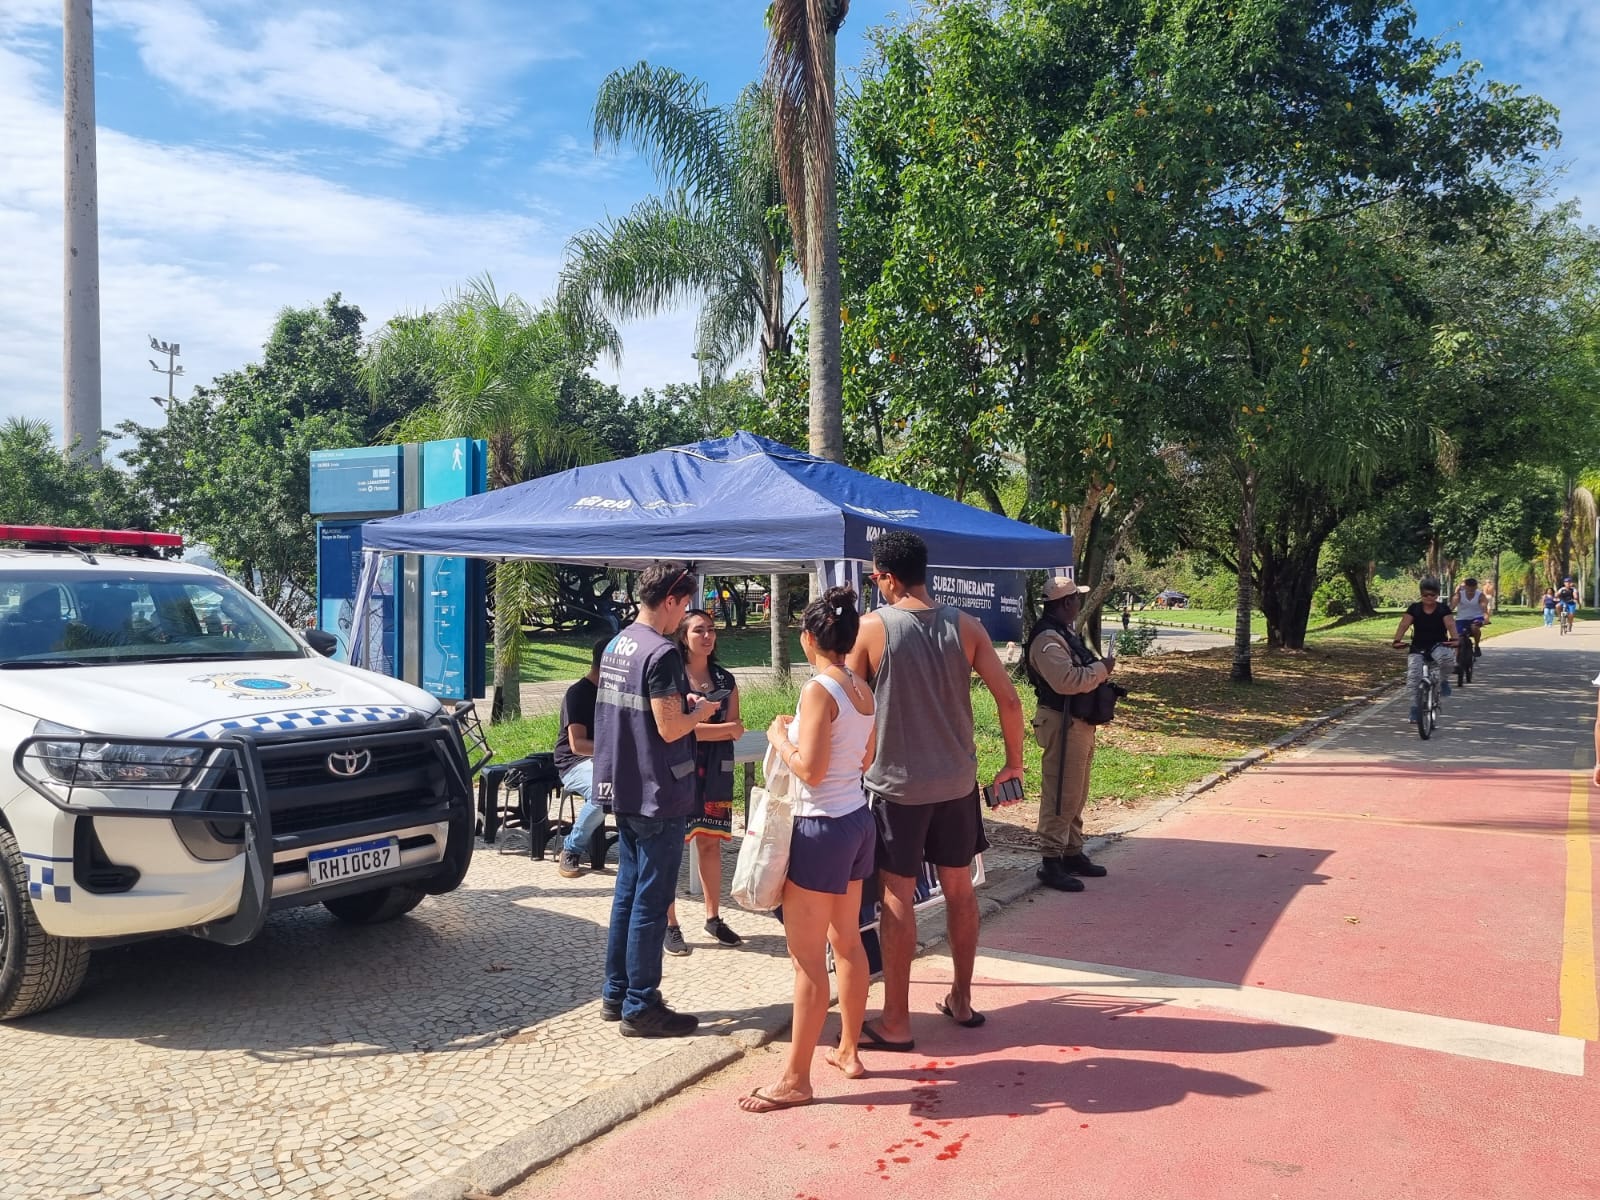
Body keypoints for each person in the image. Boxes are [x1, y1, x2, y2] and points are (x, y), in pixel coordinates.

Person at [845, 531, 1025, 1048]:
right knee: (960, 889)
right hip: (956, 785)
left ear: (887, 578)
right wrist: (1013, 763)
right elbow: (1009, 701)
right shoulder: (966, 626)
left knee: (897, 897)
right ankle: (962, 999)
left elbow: (847, 703)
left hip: (896, 788)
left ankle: (896, 1020)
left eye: (876, 577)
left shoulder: (871, 629)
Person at [739, 587, 878, 1113]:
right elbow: (864, 758)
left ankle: (796, 1078)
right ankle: (848, 1050)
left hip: (819, 826)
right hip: (856, 819)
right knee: (849, 942)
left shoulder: (819, 690)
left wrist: (779, 738)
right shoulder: (862, 689)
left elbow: (810, 770)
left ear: (808, 639)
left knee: (807, 962)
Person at [592, 562, 718, 1038]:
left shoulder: (619, 644)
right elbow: (668, 728)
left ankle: (616, 993)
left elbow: (639, 714)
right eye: (684, 606)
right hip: (658, 791)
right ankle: (641, 1005)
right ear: (670, 601)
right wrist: (700, 712)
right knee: (652, 898)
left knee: (627, 894)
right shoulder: (662, 652)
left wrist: (681, 707)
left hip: (623, 783)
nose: (683, 616)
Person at [1026, 577, 1116, 892]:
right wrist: (1102, 669)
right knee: (1061, 793)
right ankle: (1051, 860)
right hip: (1062, 723)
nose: (1079, 603)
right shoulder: (1046, 639)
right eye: (1076, 598)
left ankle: (1072, 851)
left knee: (1076, 793)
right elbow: (1066, 681)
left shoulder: (1062, 633)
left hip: (1078, 722)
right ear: (1066, 602)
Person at [664, 608, 746, 954]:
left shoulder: (725, 680)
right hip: (678, 771)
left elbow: (737, 728)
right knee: (670, 847)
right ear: (683, 637)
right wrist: (715, 729)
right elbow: (676, 730)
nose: (708, 636)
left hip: (716, 772)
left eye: (711, 629)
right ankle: (670, 924)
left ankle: (713, 917)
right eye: (699, 630)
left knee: (710, 844)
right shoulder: (670, 678)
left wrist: (700, 728)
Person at [556, 639, 611, 879]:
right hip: (575, 763)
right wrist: (615, 751)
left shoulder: (617, 693)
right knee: (604, 791)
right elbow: (578, 744)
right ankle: (571, 848)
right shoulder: (578, 694)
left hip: (610, 758)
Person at [1391, 577, 1458, 723]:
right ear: (1421, 595)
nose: (1428, 598)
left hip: (1438, 645)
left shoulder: (1443, 609)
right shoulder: (1414, 608)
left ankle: (1444, 681)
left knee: (1447, 660)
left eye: (1432, 595)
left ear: (1437, 595)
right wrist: (1397, 640)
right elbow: (1404, 624)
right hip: (1418, 646)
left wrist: (1455, 639)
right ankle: (1415, 708)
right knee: (1413, 678)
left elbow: (1450, 625)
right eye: (1425, 595)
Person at [1452, 577, 1490, 659]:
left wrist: (1486, 620)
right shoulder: (1459, 595)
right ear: (1465, 586)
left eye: (1473, 588)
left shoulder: (1480, 595)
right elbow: (1451, 607)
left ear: (1476, 587)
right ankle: (1457, 658)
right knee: (1458, 637)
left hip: (1476, 617)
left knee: (1474, 627)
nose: (1471, 590)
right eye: (1469, 588)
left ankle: (1476, 646)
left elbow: (1484, 610)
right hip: (1461, 618)